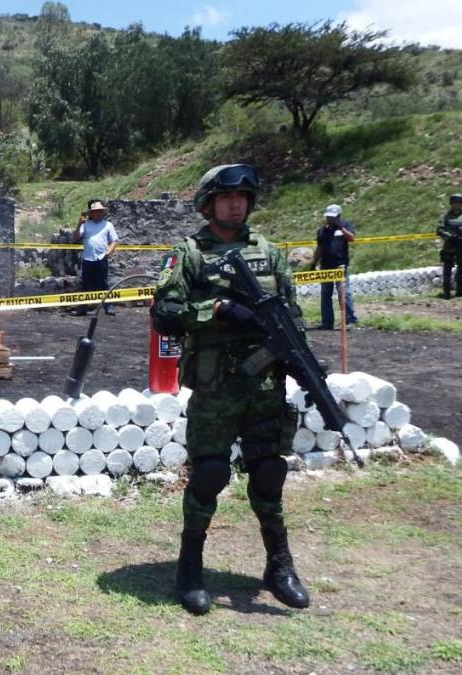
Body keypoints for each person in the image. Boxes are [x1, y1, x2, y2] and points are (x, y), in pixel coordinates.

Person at [151, 164, 310, 616]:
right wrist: (218, 310)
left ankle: (279, 566)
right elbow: (165, 312)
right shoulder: (189, 254)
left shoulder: (271, 254)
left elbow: (292, 315)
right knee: (210, 474)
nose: (235, 203)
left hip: (264, 384)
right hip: (216, 382)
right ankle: (190, 569)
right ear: (209, 203)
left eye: (243, 196)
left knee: (268, 472)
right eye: (226, 197)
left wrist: (300, 361)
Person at [309, 204, 358, 329]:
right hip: (326, 267)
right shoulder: (322, 231)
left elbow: (352, 238)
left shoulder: (345, 226)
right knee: (326, 294)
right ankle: (327, 322)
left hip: (340, 266)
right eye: (328, 217)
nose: (330, 220)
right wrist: (313, 263)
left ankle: (350, 320)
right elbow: (319, 248)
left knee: (344, 293)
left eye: (333, 217)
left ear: (338, 216)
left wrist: (341, 227)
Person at [73, 199, 119, 316]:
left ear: (103, 212)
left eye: (99, 211)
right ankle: (83, 308)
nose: (97, 213)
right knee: (86, 285)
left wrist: (109, 251)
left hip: (101, 258)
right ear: (91, 213)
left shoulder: (108, 225)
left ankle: (109, 307)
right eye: (95, 211)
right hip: (88, 259)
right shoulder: (86, 225)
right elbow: (76, 237)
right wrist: (79, 224)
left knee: (104, 284)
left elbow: (114, 240)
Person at [437, 194, 462, 299]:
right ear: (451, 204)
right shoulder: (445, 217)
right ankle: (447, 291)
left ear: (461, 204)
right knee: (447, 270)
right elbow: (439, 230)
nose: (456, 205)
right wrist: (450, 236)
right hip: (450, 245)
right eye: (454, 203)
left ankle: (460, 290)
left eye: (458, 203)